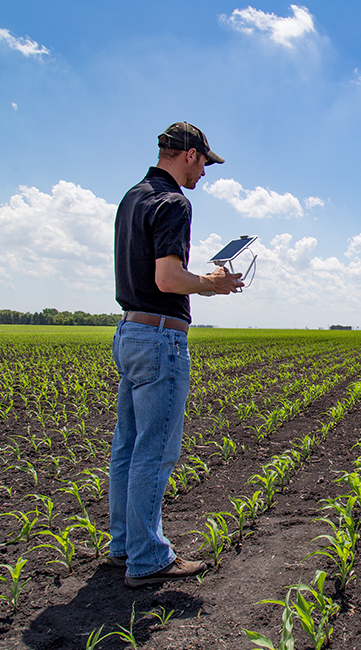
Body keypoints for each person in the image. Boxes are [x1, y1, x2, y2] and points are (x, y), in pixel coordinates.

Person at [108, 121, 244, 587]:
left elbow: (154, 274)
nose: (205, 173)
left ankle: (124, 545)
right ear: (189, 154)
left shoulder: (133, 197)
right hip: (160, 338)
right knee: (155, 451)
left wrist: (200, 281)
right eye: (205, 162)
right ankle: (148, 558)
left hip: (129, 332)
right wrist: (213, 283)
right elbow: (168, 279)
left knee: (127, 447)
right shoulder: (173, 203)